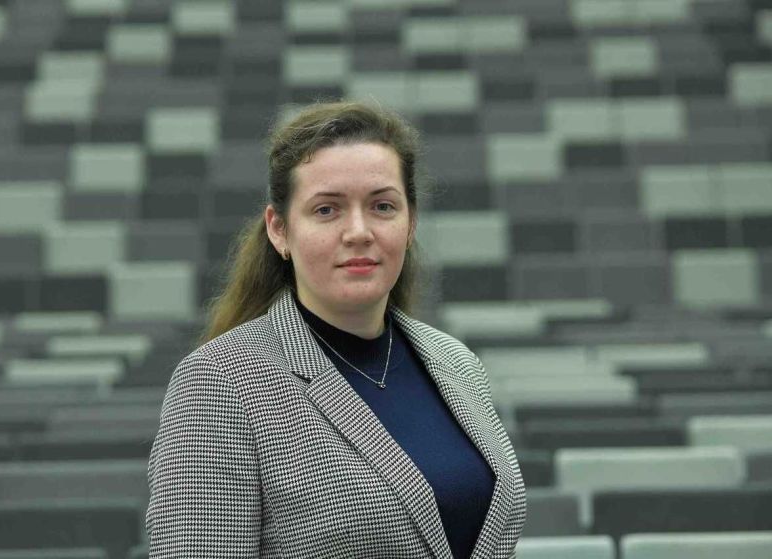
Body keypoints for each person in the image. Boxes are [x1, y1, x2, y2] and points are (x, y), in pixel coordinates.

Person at [146, 101, 526, 558]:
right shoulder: (218, 383)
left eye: (383, 206)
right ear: (279, 230)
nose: (359, 231)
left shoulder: (456, 363)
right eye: (327, 210)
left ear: (410, 223)